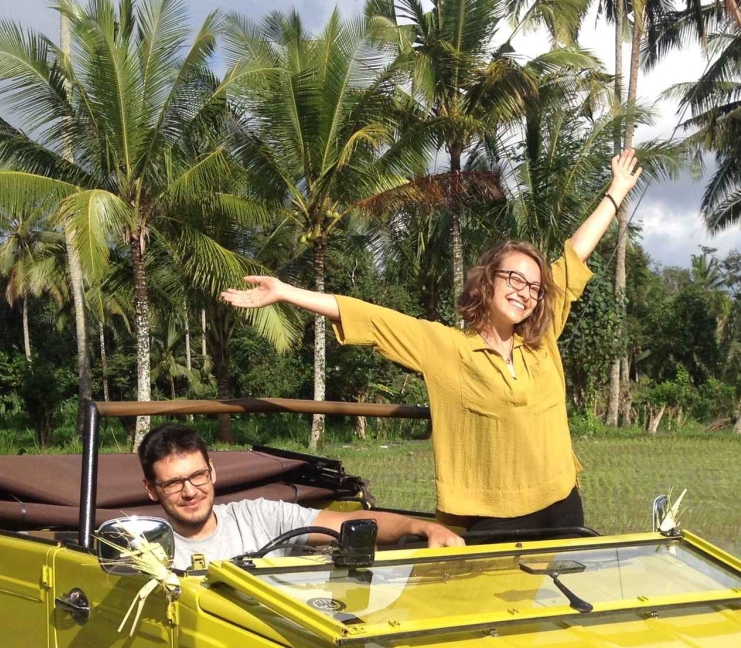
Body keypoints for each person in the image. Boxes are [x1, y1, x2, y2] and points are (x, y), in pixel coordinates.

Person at [221, 149, 644, 538]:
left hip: (562, 501)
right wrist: (286, 291)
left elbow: (574, 255)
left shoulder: (542, 339)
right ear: (489, 282)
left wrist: (615, 192)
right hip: (491, 515)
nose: (524, 291)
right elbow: (373, 318)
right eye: (514, 278)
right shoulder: (447, 348)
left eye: (533, 286)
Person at [138, 424, 461, 569]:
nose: (191, 491)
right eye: (174, 483)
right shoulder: (145, 549)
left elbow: (350, 522)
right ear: (152, 490)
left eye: (197, 476)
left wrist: (422, 528)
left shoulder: (258, 516)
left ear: (212, 472)